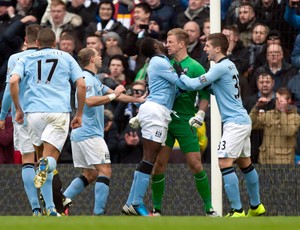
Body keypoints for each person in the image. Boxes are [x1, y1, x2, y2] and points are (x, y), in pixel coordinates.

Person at [177, 33, 266, 217]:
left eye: (207, 46)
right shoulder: (229, 65)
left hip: (235, 123)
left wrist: (181, 74)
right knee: (245, 164)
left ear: (217, 48)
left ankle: (237, 210)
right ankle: (256, 206)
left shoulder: (220, 67)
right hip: (240, 121)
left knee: (224, 163)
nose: (204, 49)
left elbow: (193, 84)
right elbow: (214, 88)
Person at [9, 27, 86, 216]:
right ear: (54, 43)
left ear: (36, 43)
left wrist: (18, 109)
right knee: (49, 161)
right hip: (58, 112)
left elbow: (13, 82)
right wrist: (80, 114)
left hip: (33, 114)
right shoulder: (66, 57)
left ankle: (50, 208)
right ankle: (47, 174)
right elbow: (82, 84)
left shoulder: (25, 58)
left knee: (40, 159)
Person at [62, 47, 145, 215]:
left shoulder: (92, 79)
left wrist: (138, 100)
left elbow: (116, 95)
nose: (101, 58)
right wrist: (115, 95)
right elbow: (90, 101)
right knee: (105, 170)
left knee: (91, 173)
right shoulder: (87, 79)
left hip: (81, 134)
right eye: (98, 55)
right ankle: (98, 215)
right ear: (92, 59)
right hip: (89, 134)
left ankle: (62, 201)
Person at [150, 28, 217, 217]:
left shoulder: (195, 67)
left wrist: (201, 113)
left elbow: (205, 93)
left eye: (170, 41)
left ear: (181, 44)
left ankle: (209, 208)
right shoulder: (164, 64)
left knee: (196, 164)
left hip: (185, 121)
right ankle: (156, 210)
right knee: (159, 165)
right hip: (164, 119)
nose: (167, 44)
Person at [121, 37, 186, 216]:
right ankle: (136, 202)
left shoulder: (160, 62)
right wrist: (197, 79)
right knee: (150, 158)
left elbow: (175, 89)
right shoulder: (159, 62)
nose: (165, 43)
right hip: (156, 111)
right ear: (156, 46)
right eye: (161, 41)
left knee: (147, 158)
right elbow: (182, 83)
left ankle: (130, 203)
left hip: (157, 111)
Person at [249, 87, 300, 164]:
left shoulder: (295, 116)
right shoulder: (269, 114)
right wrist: (257, 107)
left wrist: (282, 111)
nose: (278, 102)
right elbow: (251, 125)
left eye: (281, 100)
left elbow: (289, 132)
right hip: (264, 161)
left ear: (289, 101)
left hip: (283, 163)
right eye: (277, 99)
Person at [244, 72, 275, 163]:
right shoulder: (250, 101)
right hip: (253, 142)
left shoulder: (279, 102)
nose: (264, 85)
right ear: (257, 83)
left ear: (273, 83)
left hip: (272, 144)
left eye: (267, 82)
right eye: (261, 82)